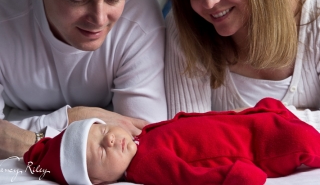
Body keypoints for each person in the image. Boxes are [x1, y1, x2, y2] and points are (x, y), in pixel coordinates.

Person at [0, 0, 167, 159]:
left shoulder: (139, 16)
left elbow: (140, 144)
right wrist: (74, 118)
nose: (99, 19)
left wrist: (17, 133)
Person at [164, 0, 320, 119]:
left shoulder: (317, 12)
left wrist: (255, 118)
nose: (208, 3)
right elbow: (186, 132)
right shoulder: (185, 25)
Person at [23, 98, 320, 185]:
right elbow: (189, 177)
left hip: (247, 122)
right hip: (259, 145)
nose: (111, 140)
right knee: (306, 143)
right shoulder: (146, 167)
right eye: (101, 151)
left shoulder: (140, 139)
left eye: (102, 132)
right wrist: (237, 177)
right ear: (98, 182)